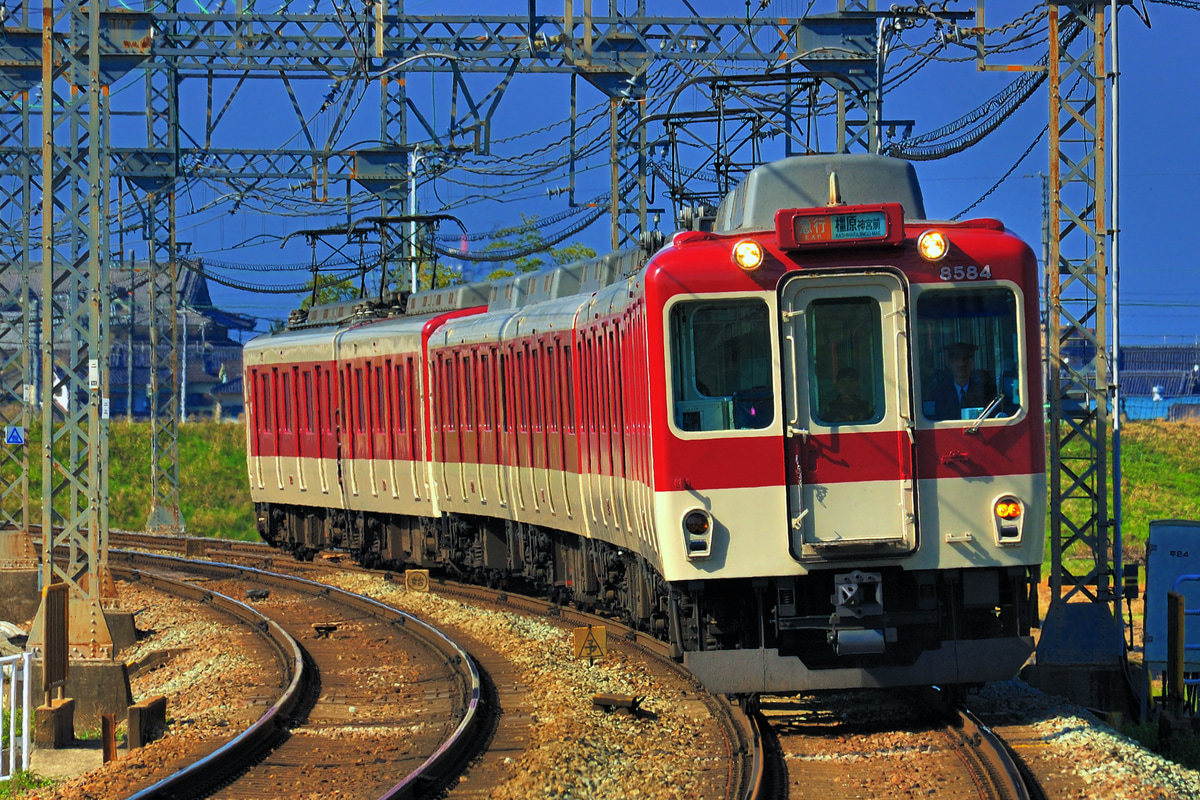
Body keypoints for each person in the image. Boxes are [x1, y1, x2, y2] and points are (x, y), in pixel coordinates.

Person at [925, 341, 993, 420]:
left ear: (973, 363)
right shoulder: (938, 393)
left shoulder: (986, 391)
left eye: (966, 359)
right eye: (956, 359)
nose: (962, 364)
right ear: (949, 363)